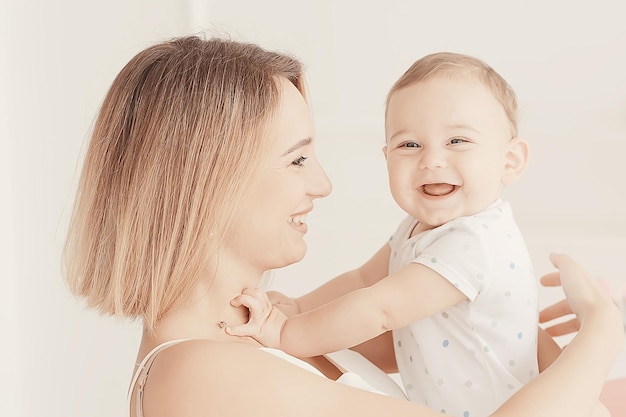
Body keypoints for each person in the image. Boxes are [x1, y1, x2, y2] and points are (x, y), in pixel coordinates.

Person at [62, 35, 623, 417]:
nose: (322, 184)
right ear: (211, 180)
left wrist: (523, 327)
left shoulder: (261, 326)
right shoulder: (202, 372)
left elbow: (455, 343)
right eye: (298, 159)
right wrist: (602, 330)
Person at [225, 51, 537, 416]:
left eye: (458, 141)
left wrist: (286, 333)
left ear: (510, 161)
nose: (431, 160)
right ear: (386, 156)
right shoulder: (422, 229)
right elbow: (363, 279)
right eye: (410, 145)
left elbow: (380, 309)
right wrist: (300, 307)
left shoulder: (474, 244)